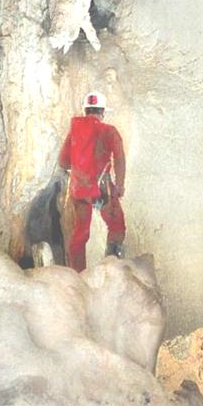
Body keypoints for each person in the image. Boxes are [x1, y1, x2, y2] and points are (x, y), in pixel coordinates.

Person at [58, 91, 126, 272]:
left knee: (80, 235)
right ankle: (113, 267)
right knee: (116, 225)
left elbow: (63, 161)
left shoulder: (74, 131)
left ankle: (77, 275)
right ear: (102, 112)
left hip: (79, 189)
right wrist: (119, 185)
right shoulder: (109, 131)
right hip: (102, 190)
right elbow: (119, 159)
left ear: (86, 110)